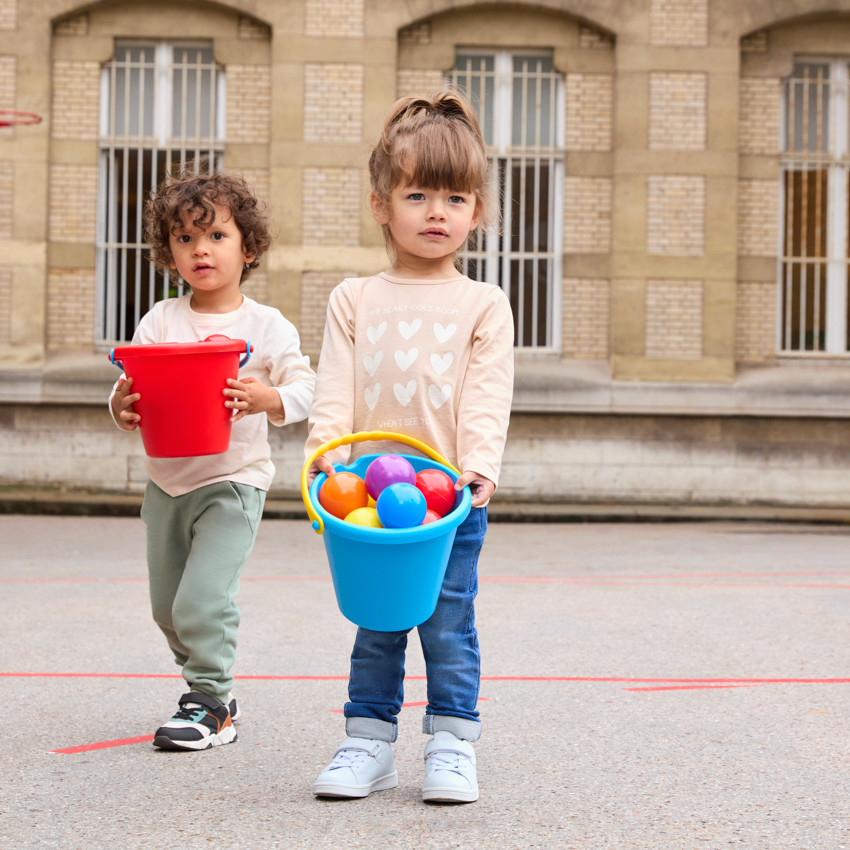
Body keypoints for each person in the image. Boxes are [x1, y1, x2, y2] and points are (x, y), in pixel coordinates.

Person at [305, 91, 514, 803]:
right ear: (380, 205)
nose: (436, 211)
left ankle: (453, 742)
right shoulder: (354, 297)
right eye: (417, 193)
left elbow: (486, 393)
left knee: (449, 619)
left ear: (476, 212)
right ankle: (368, 741)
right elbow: (333, 387)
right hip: (363, 494)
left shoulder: (483, 302)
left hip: (449, 498)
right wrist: (325, 455)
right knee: (378, 621)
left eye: (455, 197)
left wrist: (480, 467)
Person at [109, 168, 315, 751]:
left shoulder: (265, 326)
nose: (200, 249)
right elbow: (130, 386)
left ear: (247, 248)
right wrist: (121, 407)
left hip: (232, 482)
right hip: (167, 483)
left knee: (202, 600)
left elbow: (307, 389)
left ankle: (210, 701)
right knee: (167, 610)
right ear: (168, 251)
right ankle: (207, 683)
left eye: (217, 236)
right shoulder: (160, 320)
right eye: (184, 238)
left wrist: (266, 397)